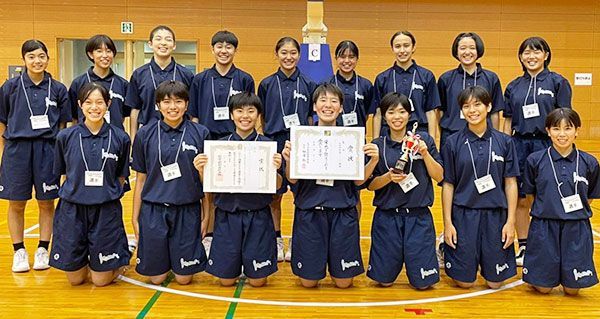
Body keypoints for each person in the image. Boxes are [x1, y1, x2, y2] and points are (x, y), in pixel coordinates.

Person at [282, 83, 379, 288]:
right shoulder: (302, 138)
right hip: (310, 213)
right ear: (314, 107)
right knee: (308, 283)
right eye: (323, 101)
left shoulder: (351, 139)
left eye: (334, 101)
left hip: (342, 214)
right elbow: (291, 179)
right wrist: (289, 159)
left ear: (341, 107)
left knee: (344, 283)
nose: (328, 105)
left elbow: (359, 181)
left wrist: (373, 162)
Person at [196, 92, 282, 287]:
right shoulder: (219, 147)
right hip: (227, 216)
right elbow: (208, 186)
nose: (245, 116)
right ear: (231, 115)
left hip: (258, 217)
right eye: (239, 111)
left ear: (259, 115)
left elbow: (277, 187)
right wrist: (202, 170)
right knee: (225, 281)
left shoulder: (268, 146)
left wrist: (276, 169)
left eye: (251, 111)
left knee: (258, 282)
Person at [0, 39, 71, 272]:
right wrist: (5, 150)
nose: (37, 61)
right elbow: (2, 122)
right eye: (31, 57)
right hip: (17, 150)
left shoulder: (58, 89)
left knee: (46, 202)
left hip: (47, 149)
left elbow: (63, 125)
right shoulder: (10, 87)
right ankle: (19, 250)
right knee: (17, 203)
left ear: (48, 58)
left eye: (41, 56)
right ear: (24, 60)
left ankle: (43, 249)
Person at [50, 82, 131, 286]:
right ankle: (88, 256)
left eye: (99, 102)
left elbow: (121, 177)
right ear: (80, 104)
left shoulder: (120, 137)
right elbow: (62, 174)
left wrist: (105, 193)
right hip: (73, 210)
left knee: (100, 281)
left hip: (105, 210)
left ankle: (115, 256)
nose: (94, 107)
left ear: (108, 104)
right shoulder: (65, 137)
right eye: (88, 102)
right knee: (76, 280)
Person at [503, 36, 572, 266]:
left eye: (536, 52)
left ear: (546, 55)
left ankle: (546, 246)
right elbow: (508, 120)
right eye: (526, 53)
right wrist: (505, 146)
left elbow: (565, 118)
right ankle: (523, 246)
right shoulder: (513, 86)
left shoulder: (557, 82)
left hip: (546, 146)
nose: (531, 56)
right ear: (521, 57)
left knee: (543, 199)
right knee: (522, 198)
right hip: (520, 145)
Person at [131, 81, 208, 285]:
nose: (172, 107)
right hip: (154, 210)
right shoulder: (144, 134)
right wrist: (134, 217)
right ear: (158, 105)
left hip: (187, 209)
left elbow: (207, 183)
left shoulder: (200, 133)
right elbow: (140, 178)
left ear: (187, 104)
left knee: (184, 279)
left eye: (178, 101)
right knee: (156, 279)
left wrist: (206, 216)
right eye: (166, 102)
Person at [441, 86, 518, 289]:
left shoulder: (505, 141)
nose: (472, 110)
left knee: (495, 283)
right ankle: (445, 246)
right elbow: (448, 184)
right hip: (464, 214)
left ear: (489, 106)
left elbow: (510, 183)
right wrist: (447, 223)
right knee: (464, 283)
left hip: (495, 216)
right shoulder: (452, 142)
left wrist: (510, 222)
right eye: (466, 106)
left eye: (477, 104)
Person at [366, 92, 443, 289]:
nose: (397, 117)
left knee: (423, 285)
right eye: (391, 112)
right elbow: (369, 185)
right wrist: (388, 178)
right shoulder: (377, 146)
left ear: (409, 115)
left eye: (402, 111)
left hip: (418, 217)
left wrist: (425, 153)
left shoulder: (423, 140)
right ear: (384, 116)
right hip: (387, 217)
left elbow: (440, 176)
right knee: (383, 281)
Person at [189, 30, 255, 256]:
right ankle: (208, 233)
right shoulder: (200, 79)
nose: (224, 51)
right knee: (209, 189)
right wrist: (198, 140)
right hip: (209, 141)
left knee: (235, 186)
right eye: (219, 46)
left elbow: (250, 110)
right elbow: (195, 114)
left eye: (229, 47)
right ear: (213, 49)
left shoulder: (244, 78)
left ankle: (232, 232)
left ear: (235, 50)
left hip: (236, 141)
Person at [522, 108, 599, 295]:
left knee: (573, 290)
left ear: (577, 131)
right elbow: (530, 196)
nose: (562, 134)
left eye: (568, 128)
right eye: (556, 129)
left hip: (576, 227)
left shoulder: (590, 162)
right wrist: (546, 210)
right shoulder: (535, 160)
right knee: (543, 288)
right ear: (548, 131)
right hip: (544, 226)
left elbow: (588, 196)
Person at [258, 37, 317, 262]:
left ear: (299, 55)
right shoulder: (266, 83)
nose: (288, 57)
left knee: (301, 196)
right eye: (284, 52)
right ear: (277, 54)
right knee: (274, 196)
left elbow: (311, 118)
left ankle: (297, 239)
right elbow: (261, 116)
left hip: (300, 145)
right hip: (274, 142)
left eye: (293, 53)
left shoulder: (309, 84)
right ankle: (276, 238)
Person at [125, 25, 194, 144]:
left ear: (174, 45)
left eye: (168, 39)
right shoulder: (139, 74)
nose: (163, 43)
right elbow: (135, 109)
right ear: (150, 44)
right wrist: (133, 139)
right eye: (158, 39)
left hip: (180, 135)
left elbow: (191, 108)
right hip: (148, 134)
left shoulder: (186, 74)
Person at [438, 32, 504, 148]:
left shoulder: (491, 78)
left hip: (483, 136)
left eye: (472, 48)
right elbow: (441, 111)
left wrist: (494, 138)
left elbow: (494, 112)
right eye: (463, 48)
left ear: (478, 50)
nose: (467, 52)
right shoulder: (445, 79)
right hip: (452, 135)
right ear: (456, 52)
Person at [372, 31, 440, 138]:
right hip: (389, 134)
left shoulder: (426, 76)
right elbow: (378, 113)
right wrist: (375, 142)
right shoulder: (382, 78)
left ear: (413, 48)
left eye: (406, 46)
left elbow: (431, 112)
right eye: (398, 46)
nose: (402, 50)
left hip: (418, 132)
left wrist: (432, 142)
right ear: (392, 49)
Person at [68, 34, 130, 130]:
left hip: (114, 138)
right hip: (84, 138)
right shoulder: (78, 83)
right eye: (99, 51)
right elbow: (74, 117)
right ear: (90, 54)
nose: (105, 55)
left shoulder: (123, 84)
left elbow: (123, 115)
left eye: (108, 51)